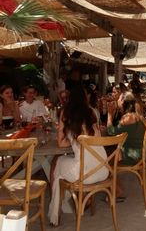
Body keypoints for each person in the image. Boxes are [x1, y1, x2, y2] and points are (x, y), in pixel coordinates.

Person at [48, 87, 109, 226]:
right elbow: (97, 137)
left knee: (56, 161)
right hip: (103, 171)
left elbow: (61, 144)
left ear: (69, 98)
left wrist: (71, 138)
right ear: (85, 97)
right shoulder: (92, 112)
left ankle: (55, 211)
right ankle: (75, 201)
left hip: (84, 174)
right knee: (69, 160)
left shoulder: (65, 112)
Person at [107, 92, 146, 166]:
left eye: (119, 99)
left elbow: (110, 131)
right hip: (143, 153)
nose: (117, 100)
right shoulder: (135, 114)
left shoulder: (128, 118)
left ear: (123, 102)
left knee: (108, 151)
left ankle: (111, 174)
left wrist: (109, 114)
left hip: (135, 155)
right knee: (114, 149)